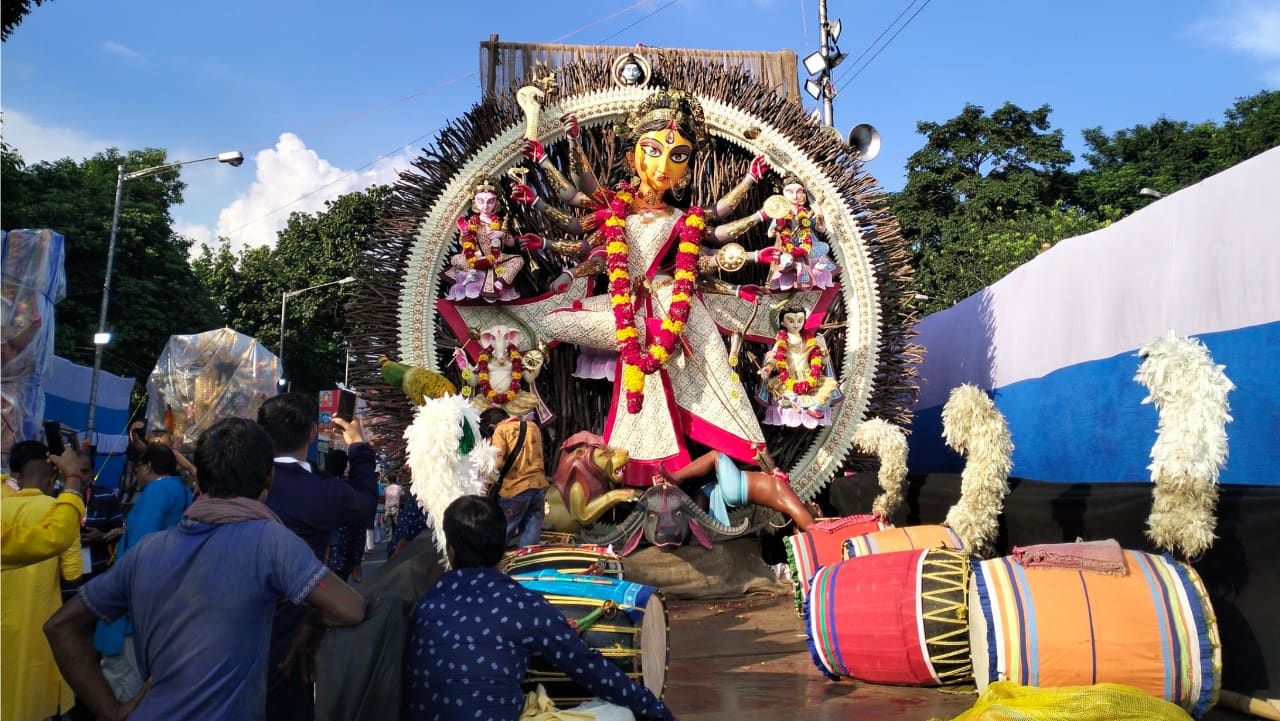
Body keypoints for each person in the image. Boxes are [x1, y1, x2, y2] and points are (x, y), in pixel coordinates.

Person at [512, 89, 778, 486]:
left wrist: (752, 195)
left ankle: (760, 465)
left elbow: (719, 226)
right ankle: (636, 460)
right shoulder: (612, 207)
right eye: (652, 150)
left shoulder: (685, 218)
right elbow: (576, 203)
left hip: (677, 307)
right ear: (632, 155)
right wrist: (542, 196)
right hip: (625, 311)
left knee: (721, 382)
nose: (663, 165)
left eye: (678, 156)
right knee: (552, 321)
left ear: (686, 168)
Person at [43, 417, 365, 721]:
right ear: (269, 477)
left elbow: (61, 626)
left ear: (201, 476)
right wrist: (311, 623)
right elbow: (350, 608)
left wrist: (111, 710)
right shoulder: (270, 540)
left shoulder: (146, 551)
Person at [403, 495, 675, 721]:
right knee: (619, 715)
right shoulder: (521, 603)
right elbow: (589, 669)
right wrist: (658, 711)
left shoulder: (427, 603)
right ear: (502, 551)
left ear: (450, 550)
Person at [259, 393, 378, 721]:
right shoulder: (323, 491)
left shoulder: (245, 482)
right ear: (313, 432)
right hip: (292, 625)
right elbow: (367, 502)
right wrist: (358, 445)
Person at [94, 443, 194, 702]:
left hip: (133, 610)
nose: (136, 474)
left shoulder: (156, 491)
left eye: (138, 467)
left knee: (123, 685)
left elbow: (140, 548)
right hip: (164, 601)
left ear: (147, 467)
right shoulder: (183, 493)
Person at [2, 440, 86, 721]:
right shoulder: (61, 511)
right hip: (36, 630)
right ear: (53, 476)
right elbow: (72, 571)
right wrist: (72, 482)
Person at [442, 178, 532, 302]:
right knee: (455, 259)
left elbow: (510, 243)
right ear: (474, 202)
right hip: (474, 262)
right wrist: (465, 233)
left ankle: (500, 283)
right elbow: (463, 244)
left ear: (496, 202)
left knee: (518, 260)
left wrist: (500, 234)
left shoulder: (499, 222)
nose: (485, 206)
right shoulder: (471, 222)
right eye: (481, 201)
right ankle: (474, 274)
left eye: (490, 201)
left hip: (496, 264)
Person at [758, 304, 839, 428]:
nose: (796, 324)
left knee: (831, 386)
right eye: (791, 321)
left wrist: (823, 348)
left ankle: (814, 409)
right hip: (788, 377)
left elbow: (823, 361)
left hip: (809, 375)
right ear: (782, 322)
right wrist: (768, 367)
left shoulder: (808, 339)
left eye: (800, 320)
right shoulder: (781, 341)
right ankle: (796, 410)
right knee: (787, 398)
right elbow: (774, 357)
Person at [479, 407, 547, 549]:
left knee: (502, 535)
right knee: (531, 538)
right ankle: (526, 567)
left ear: (492, 427)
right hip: (538, 487)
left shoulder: (501, 431)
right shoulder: (533, 426)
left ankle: (493, 568)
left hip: (515, 490)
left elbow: (498, 464)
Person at [61, 452, 124, 602]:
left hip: (95, 580)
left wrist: (102, 536)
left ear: (92, 474)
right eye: (74, 471)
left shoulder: (106, 496)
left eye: (84, 471)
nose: (79, 476)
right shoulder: (53, 498)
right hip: (61, 582)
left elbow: (120, 531)